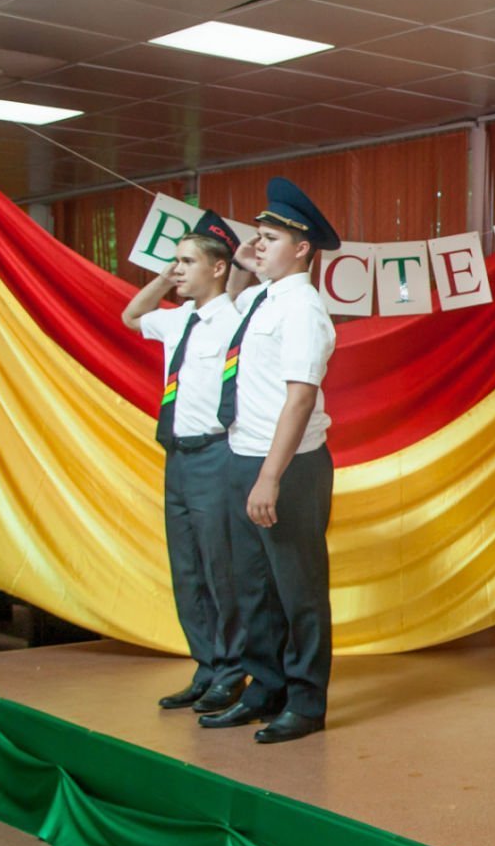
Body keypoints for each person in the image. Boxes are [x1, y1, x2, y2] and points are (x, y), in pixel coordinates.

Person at [198, 178, 338, 745]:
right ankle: (265, 689)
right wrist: (244, 259)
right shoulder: (261, 298)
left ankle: (305, 701)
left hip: (288, 467)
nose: (258, 245)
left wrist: (270, 477)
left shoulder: (303, 308)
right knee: (253, 588)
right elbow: (230, 303)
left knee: (298, 589)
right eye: (257, 236)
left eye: (270, 238)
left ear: (302, 249)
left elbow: (300, 398)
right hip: (244, 454)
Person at [121, 211, 249, 715]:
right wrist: (163, 278)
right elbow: (132, 317)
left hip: (216, 454)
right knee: (188, 570)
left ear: (217, 268)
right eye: (175, 261)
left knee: (221, 569)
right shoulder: (177, 319)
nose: (178, 269)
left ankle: (233, 670)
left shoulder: (235, 321)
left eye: (187, 262)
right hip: (176, 454)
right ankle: (206, 665)